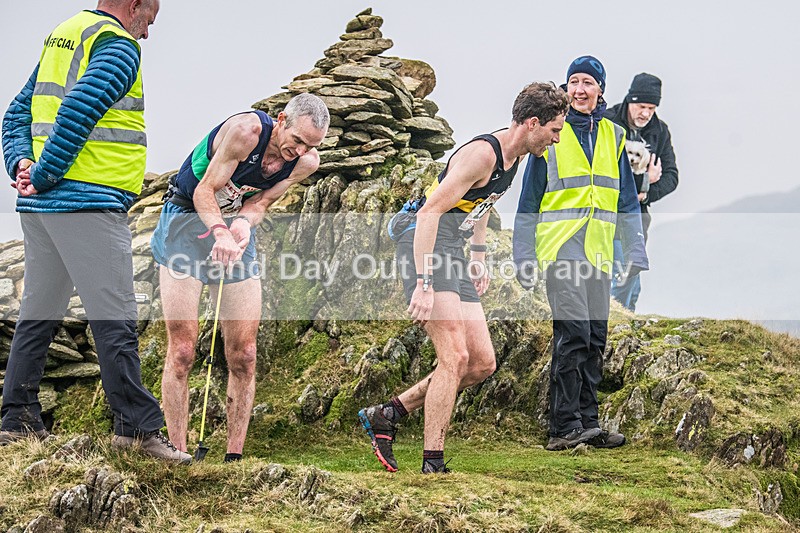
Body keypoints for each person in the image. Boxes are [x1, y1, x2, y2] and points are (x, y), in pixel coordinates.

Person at [0, 0, 190, 463]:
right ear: (134, 5)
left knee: (39, 310)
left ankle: (17, 418)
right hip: (86, 204)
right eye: (149, 19)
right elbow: (81, 109)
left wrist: (21, 163)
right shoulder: (117, 44)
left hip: (42, 209)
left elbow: (17, 113)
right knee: (116, 318)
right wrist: (43, 172)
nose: (146, 33)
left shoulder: (65, 33)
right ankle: (138, 431)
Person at [359, 82, 571, 473]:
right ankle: (433, 464)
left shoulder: (517, 155)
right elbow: (428, 213)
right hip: (423, 242)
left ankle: (387, 414)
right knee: (454, 356)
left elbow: (483, 203)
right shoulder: (480, 156)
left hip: (453, 248)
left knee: (481, 363)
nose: (557, 139)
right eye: (555, 130)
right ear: (532, 122)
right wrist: (423, 283)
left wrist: (477, 253)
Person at [152, 93, 328, 462]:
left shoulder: (306, 161)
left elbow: (260, 203)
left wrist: (244, 226)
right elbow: (205, 190)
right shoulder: (246, 131)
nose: (299, 151)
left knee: (245, 353)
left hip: (233, 232)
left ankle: (234, 458)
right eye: (296, 140)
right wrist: (219, 230)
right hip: (186, 220)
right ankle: (178, 454)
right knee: (183, 349)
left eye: (311, 145)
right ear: (281, 120)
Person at [513, 57, 649, 451]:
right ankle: (563, 426)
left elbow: (626, 201)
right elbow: (528, 204)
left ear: (601, 90)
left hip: (599, 251)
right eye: (573, 81)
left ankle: (589, 422)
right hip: (561, 249)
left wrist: (635, 253)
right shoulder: (551, 136)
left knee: (595, 337)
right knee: (572, 334)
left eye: (588, 82)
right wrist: (523, 256)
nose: (579, 89)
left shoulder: (615, 136)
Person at [606, 73, 679, 311]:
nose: (646, 113)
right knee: (621, 275)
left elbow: (671, 176)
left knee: (633, 284)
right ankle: (612, 327)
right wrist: (644, 181)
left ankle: (623, 325)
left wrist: (646, 194)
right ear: (630, 100)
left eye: (651, 107)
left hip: (639, 215)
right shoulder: (608, 122)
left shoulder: (659, 131)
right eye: (641, 106)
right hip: (610, 212)